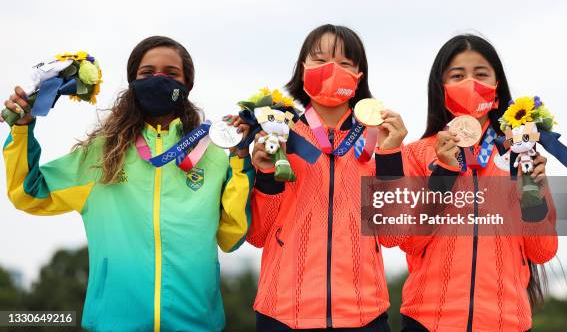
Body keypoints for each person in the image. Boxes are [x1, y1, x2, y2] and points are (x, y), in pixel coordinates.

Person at [1, 36, 254, 332]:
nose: (159, 79)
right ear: (133, 80)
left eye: (171, 74)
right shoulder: (101, 154)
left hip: (196, 323)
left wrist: (241, 160)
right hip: (114, 323)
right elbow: (29, 193)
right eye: (147, 73)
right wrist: (22, 129)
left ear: (187, 85)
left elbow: (231, 236)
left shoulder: (210, 154)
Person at [384, 34, 557, 332]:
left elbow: (542, 251)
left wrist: (534, 195)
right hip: (428, 321)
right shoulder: (417, 153)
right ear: (441, 88)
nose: (470, 83)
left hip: (507, 322)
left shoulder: (520, 155)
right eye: (457, 75)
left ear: (497, 88)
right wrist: (443, 174)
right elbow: (407, 241)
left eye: (481, 74)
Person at [247, 24, 407, 331]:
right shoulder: (279, 134)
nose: (332, 70)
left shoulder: (379, 139)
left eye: (345, 64)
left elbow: (393, 235)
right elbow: (257, 234)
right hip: (282, 313)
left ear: (359, 76)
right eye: (320, 60)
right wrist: (267, 173)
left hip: (364, 315)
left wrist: (391, 155)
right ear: (302, 69)